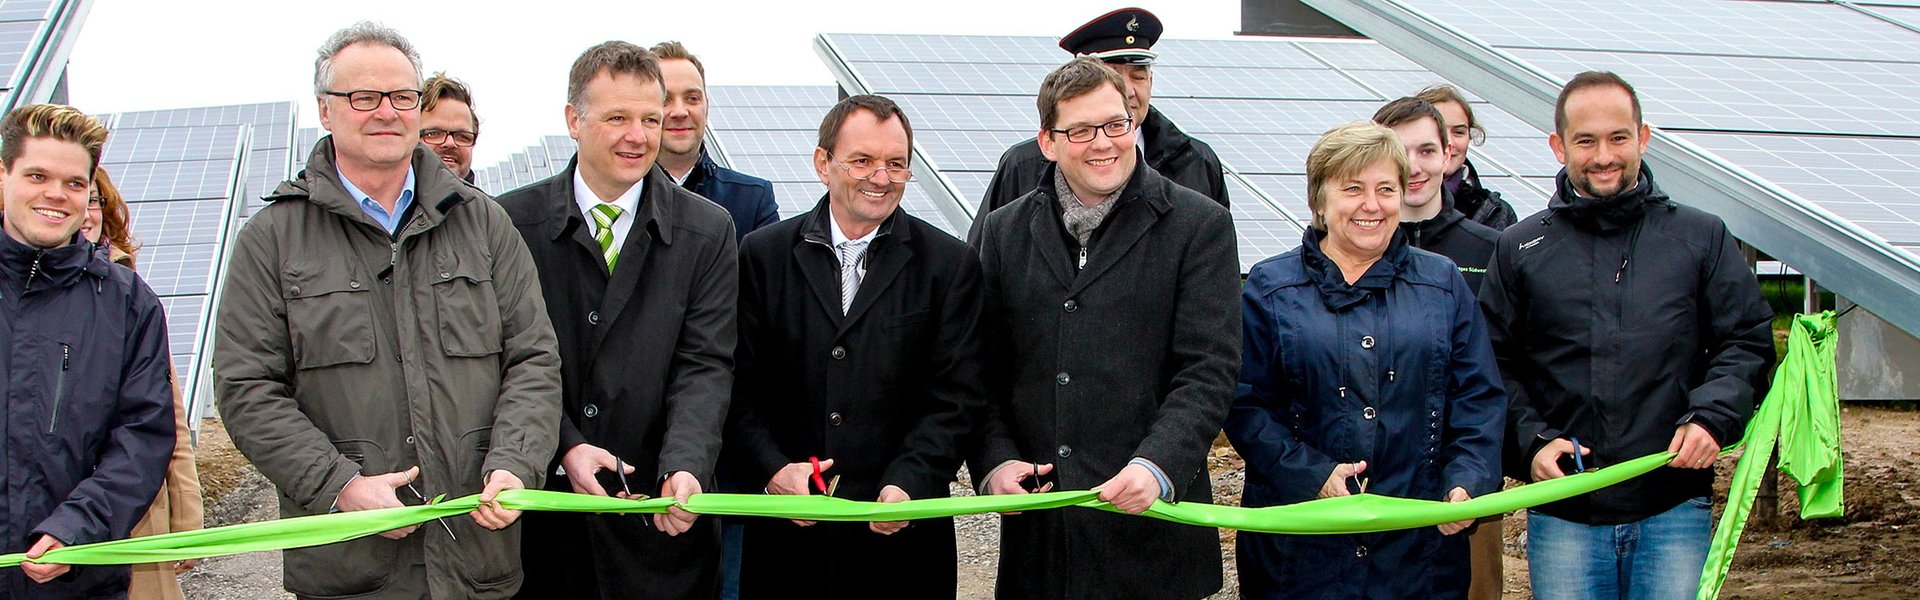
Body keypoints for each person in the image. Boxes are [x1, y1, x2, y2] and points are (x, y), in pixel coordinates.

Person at [214, 22, 563, 599]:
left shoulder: (483, 223)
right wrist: (339, 485)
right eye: (363, 97)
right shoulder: (272, 239)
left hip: (475, 560)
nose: (386, 112)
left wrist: (515, 464)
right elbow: (247, 385)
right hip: (350, 564)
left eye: (402, 97)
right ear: (325, 111)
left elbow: (533, 359)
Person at [1480, 71, 1775, 600]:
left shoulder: (1699, 236)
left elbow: (1746, 341)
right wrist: (1530, 445)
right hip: (1565, 508)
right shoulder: (1521, 247)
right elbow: (1492, 364)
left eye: (1618, 138)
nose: (1603, 156)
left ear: (1643, 137)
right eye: (1585, 140)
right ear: (1558, 146)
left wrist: (1712, 416)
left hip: (1673, 504)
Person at [970, 57, 1239, 600]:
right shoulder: (1003, 232)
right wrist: (995, 461)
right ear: (1047, 141)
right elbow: (978, 368)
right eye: (1081, 130)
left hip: (1156, 533)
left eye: (1116, 125)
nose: (1103, 143)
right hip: (1042, 541)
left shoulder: (1200, 226)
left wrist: (1158, 464)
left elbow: (1208, 370)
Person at [495, 41, 736, 600]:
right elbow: (504, 359)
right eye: (618, 118)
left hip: (659, 518)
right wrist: (564, 446)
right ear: (573, 121)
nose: (638, 135)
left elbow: (706, 364)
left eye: (650, 119)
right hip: (546, 522)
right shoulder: (510, 223)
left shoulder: (707, 230)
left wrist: (686, 466)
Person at [1224, 121, 1505, 599]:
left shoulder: (1442, 284)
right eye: (1352, 189)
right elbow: (1244, 403)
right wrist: (1311, 474)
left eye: (1385, 189)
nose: (1371, 205)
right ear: (1319, 200)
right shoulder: (1270, 290)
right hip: (1299, 552)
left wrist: (1466, 480)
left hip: (1418, 553)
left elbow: (1477, 396)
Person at [726, 94, 987, 598]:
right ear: (823, 163)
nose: (881, 177)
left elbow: (959, 394)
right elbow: (737, 384)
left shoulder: (949, 264)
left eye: (896, 164)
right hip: (788, 539)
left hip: (902, 540)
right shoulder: (762, 256)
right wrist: (773, 469)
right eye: (863, 160)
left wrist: (911, 478)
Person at [0, 103, 173, 599]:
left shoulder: (127, 304)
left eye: (74, 183)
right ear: (4, 175)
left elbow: (143, 437)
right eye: (37, 175)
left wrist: (78, 527)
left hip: (79, 582)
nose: (56, 194)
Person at [967, 7, 1227, 244]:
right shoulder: (1023, 166)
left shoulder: (1196, 162)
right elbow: (983, 266)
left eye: (1138, 76)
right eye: (1111, 76)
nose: (1128, 91)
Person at [84, 168, 206, 600]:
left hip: (138, 516)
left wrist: (187, 510)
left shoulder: (131, 296)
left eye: (92, 197)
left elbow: (165, 411)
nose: (83, 210)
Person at [651, 41, 779, 243]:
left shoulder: (752, 199)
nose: (680, 112)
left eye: (692, 98)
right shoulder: (621, 195)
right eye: (665, 99)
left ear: (707, 106)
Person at [1372, 98, 1500, 294]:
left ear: (1446, 155)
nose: (1413, 168)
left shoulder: (1492, 251)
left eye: (1427, 151)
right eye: (1399, 153)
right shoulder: (1352, 250)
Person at [1416, 85, 1516, 230]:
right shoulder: (1384, 206)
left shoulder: (1497, 213)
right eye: (1439, 130)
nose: (1449, 141)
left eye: (1459, 132)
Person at [420, 72, 480, 182]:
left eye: (462, 136)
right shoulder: (382, 198)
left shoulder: (492, 200)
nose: (450, 143)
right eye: (434, 133)